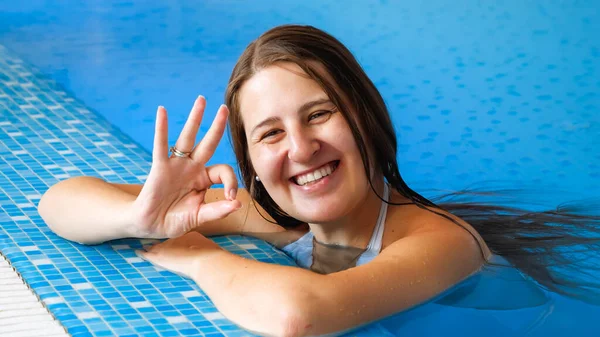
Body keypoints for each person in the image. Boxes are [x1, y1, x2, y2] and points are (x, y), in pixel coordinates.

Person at [38, 25, 600, 337]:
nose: (302, 150)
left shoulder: (441, 241)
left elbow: (299, 316)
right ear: (253, 163)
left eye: (318, 114)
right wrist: (141, 217)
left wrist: (191, 253)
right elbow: (57, 201)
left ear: (365, 115)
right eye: (271, 134)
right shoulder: (280, 218)